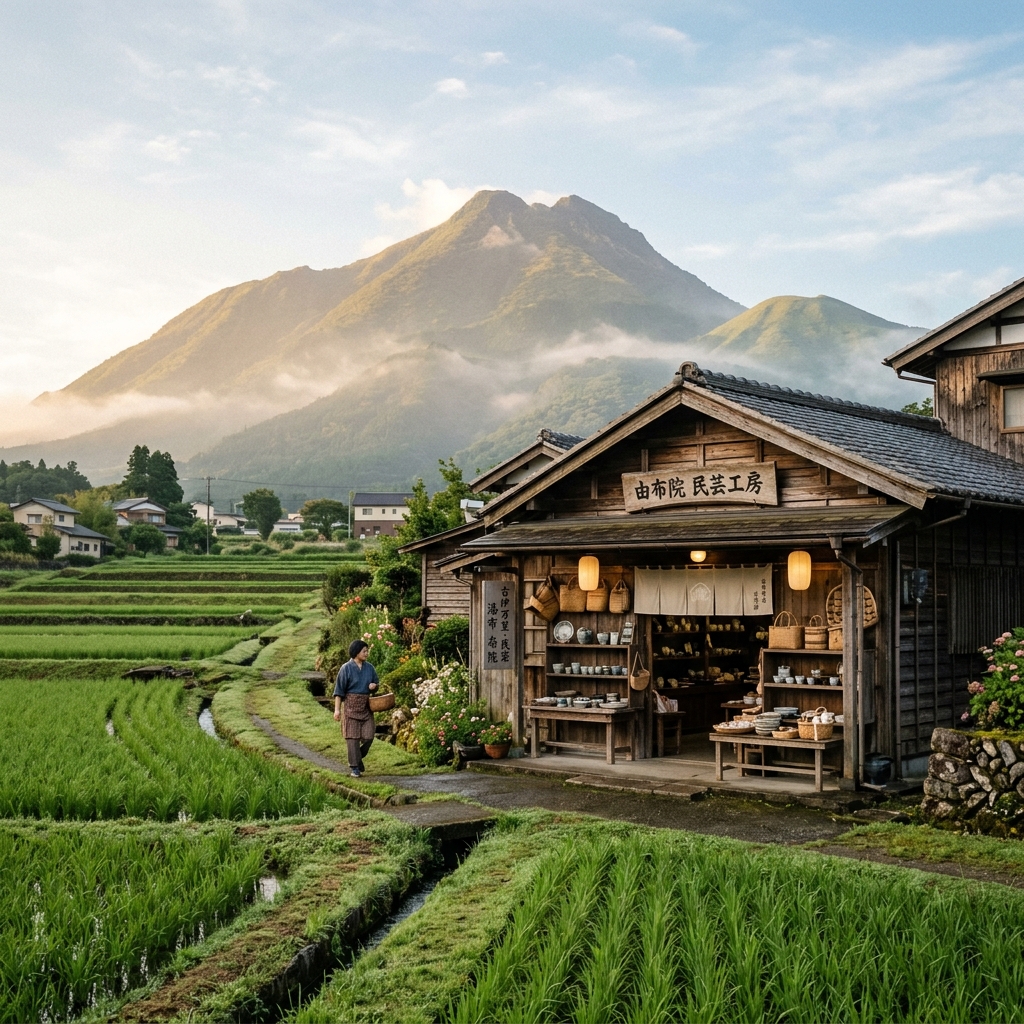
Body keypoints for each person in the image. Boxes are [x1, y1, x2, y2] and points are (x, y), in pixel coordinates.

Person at [333, 639, 379, 777]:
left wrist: (374, 687)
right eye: (364, 651)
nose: (366, 653)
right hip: (350, 708)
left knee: (369, 736)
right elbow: (338, 691)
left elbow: (376, 683)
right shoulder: (345, 668)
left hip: (366, 707)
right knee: (352, 739)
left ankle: (357, 757)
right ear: (356, 652)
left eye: (367, 651)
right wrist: (337, 710)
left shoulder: (369, 668)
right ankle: (355, 768)